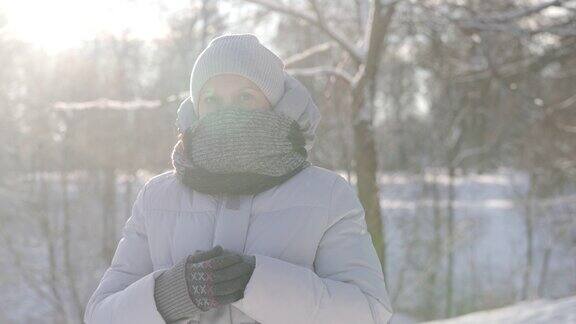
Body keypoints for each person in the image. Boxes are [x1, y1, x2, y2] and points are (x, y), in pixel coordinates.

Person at [83, 33, 393, 324]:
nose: (225, 113)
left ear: (275, 104)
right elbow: (101, 314)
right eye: (212, 100)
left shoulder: (327, 195)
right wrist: (171, 295)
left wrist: (255, 284)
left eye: (245, 97)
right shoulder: (156, 197)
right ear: (196, 109)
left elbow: (369, 310)